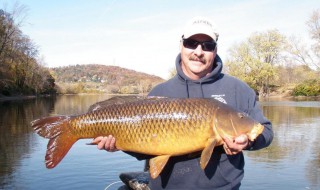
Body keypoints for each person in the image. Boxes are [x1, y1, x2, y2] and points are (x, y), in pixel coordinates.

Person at [92, 16, 273, 190]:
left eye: (207, 45)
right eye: (191, 43)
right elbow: (144, 148)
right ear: (181, 45)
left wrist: (247, 142)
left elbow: (264, 131)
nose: (199, 52)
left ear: (215, 50)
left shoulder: (237, 89)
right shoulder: (160, 93)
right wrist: (118, 144)